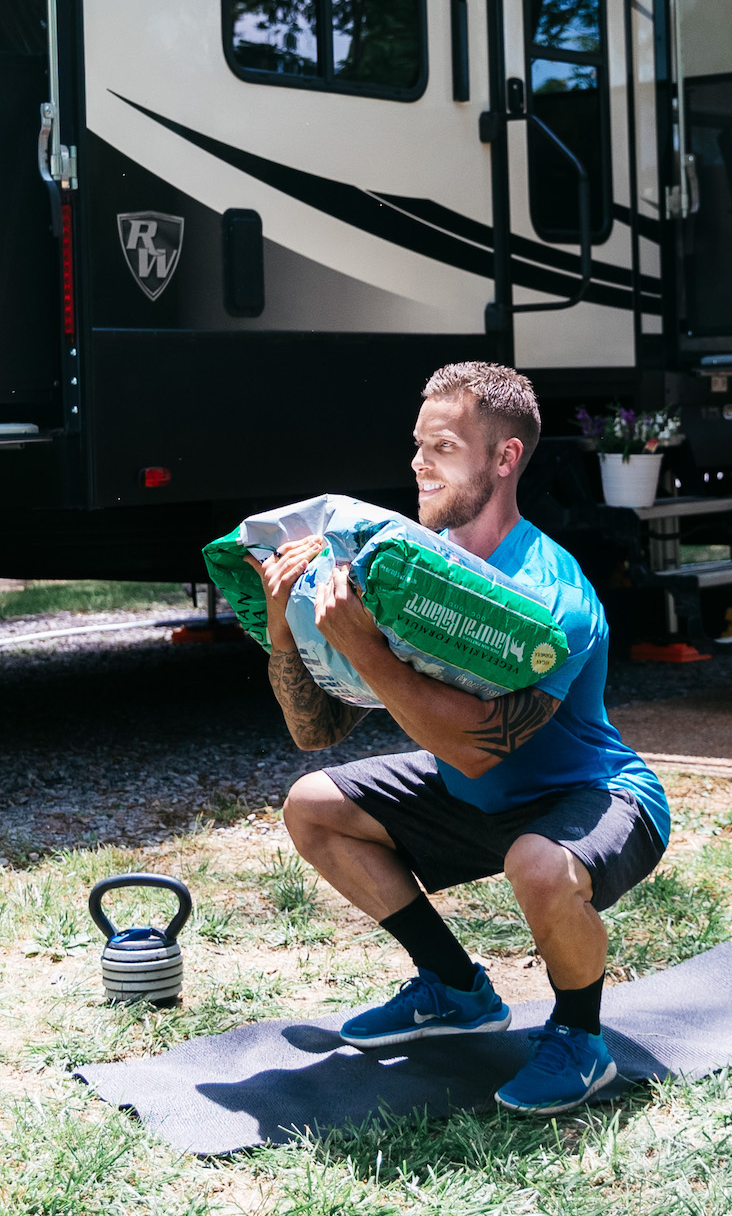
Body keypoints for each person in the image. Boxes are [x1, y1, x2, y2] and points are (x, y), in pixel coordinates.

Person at [259, 361, 671, 1116]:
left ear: (503, 459)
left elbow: (483, 747)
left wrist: (372, 651)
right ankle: (454, 989)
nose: (418, 464)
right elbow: (318, 733)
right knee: (312, 804)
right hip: (476, 795)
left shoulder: (554, 595)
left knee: (538, 863)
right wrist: (287, 632)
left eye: (441, 447)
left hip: (595, 796)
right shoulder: (404, 568)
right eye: (417, 445)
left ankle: (581, 1040)